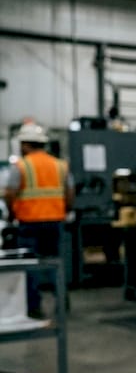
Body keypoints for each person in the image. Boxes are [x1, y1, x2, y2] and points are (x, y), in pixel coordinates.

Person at [4, 121, 73, 319]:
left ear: (26, 144)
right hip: (55, 220)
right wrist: (65, 209)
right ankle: (62, 301)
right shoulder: (60, 165)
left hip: (29, 222)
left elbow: (10, 193)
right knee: (55, 262)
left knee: (30, 264)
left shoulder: (21, 166)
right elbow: (70, 192)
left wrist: (11, 213)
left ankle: (34, 306)